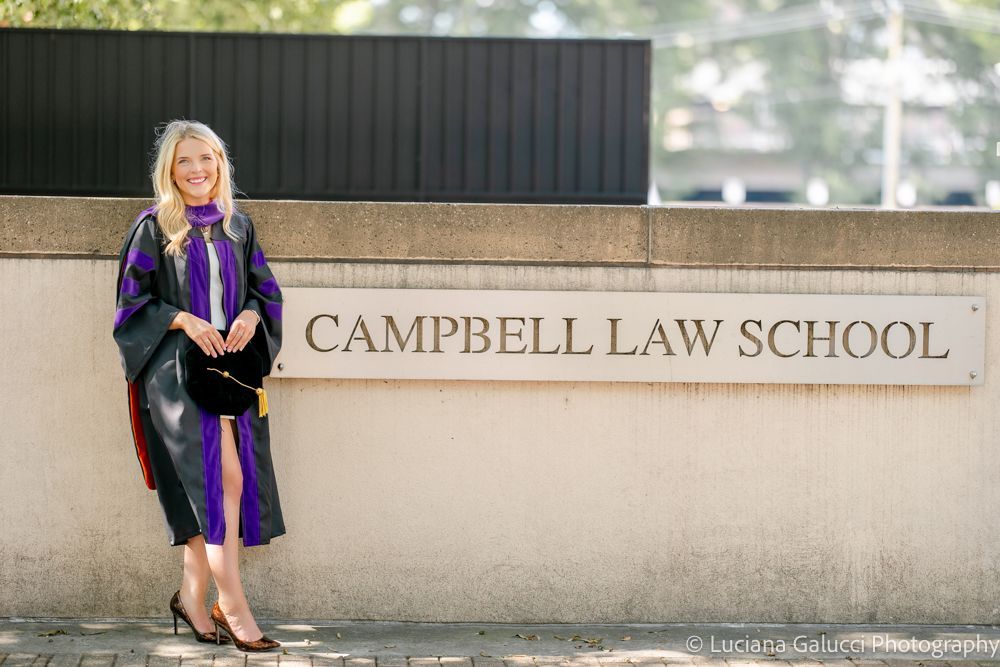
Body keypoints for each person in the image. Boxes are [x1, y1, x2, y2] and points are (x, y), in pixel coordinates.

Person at [113, 120, 284, 652]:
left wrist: (253, 317)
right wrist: (185, 320)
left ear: (220, 164)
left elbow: (265, 291)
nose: (197, 170)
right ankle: (233, 607)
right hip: (177, 375)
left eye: (206, 159)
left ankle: (192, 599)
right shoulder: (154, 228)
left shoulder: (238, 226)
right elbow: (130, 305)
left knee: (216, 486)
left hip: (227, 373)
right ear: (170, 169)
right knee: (219, 480)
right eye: (185, 161)